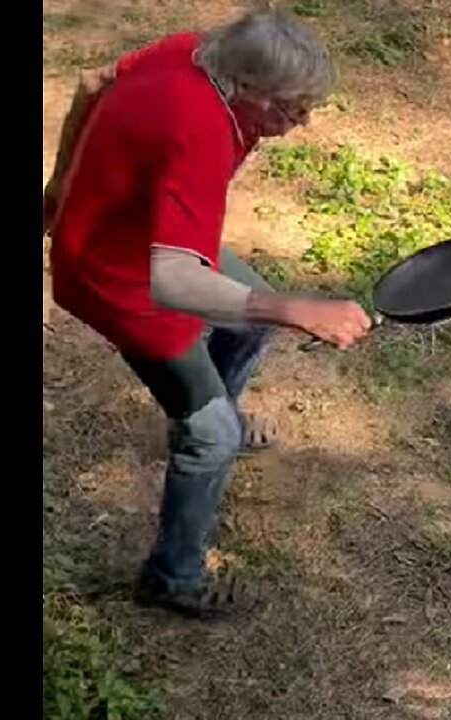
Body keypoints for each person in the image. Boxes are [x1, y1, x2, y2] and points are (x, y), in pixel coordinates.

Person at [43, 8, 372, 619]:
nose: (300, 123)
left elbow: (92, 82)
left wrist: (61, 183)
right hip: (118, 278)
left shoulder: (194, 50)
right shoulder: (197, 130)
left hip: (125, 235)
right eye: (288, 108)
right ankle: (174, 577)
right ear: (243, 88)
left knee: (251, 320)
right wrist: (296, 307)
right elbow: (172, 281)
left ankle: (207, 406)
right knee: (213, 435)